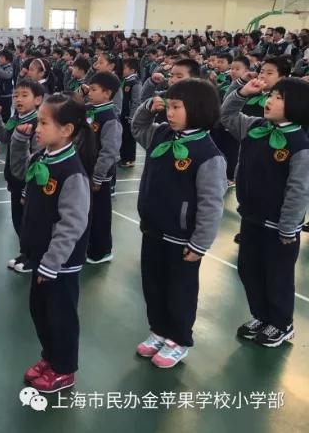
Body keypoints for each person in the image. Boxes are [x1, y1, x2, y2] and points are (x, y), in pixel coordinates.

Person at [132, 79, 227, 368]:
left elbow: (211, 205)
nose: (169, 113)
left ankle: (179, 339)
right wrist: (148, 108)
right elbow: (137, 128)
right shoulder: (161, 134)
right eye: (168, 106)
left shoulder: (208, 154)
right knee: (153, 285)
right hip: (153, 230)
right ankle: (159, 330)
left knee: (179, 291)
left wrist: (199, 244)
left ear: (197, 110)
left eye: (176, 107)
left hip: (182, 240)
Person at [11, 94, 96, 393]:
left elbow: (72, 224)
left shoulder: (72, 172)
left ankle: (64, 369)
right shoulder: (41, 157)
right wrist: (19, 141)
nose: (37, 128)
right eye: (38, 122)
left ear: (66, 130)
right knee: (40, 312)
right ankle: (50, 357)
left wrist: (52, 262)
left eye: (44, 123)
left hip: (60, 262)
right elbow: (19, 173)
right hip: (41, 255)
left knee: (60, 317)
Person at [221, 77, 309, 347]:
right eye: (271, 95)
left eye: (279, 98)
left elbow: (298, 190)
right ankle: (261, 315)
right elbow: (227, 116)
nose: (270, 101)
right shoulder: (255, 127)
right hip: (251, 216)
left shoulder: (299, 144)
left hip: (279, 226)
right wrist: (241, 93)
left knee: (277, 275)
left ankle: (282, 324)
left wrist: (288, 227)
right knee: (249, 269)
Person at [0, 79, 43, 273]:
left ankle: (34, 257)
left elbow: (37, 159)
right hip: (15, 179)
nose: (18, 99)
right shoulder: (17, 118)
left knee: (30, 222)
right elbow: (4, 137)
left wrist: (27, 189)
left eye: (24, 95)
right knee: (18, 220)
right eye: (15, 95)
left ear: (38, 99)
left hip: (27, 183)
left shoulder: (37, 124)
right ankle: (26, 253)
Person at [84, 72, 122, 265]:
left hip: (99, 176)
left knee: (100, 214)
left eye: (93, 89)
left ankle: (102, 250)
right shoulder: (91, 110)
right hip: (86, 171)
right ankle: (90, 244)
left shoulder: (110, 118)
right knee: (88, 211)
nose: (89, 92)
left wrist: (98, 177)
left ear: (107, 93)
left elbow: (109, 151)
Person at [119, 58, 142, 167]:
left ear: (132, 70)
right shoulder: (125, 80)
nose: (122, 70)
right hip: (123, 113)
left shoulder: (135, 82)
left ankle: (130, 159)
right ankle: (124, 157)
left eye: (124, 68)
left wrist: (132, 117)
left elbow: (136, 101)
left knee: (129, 138)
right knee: (124, 136)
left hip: (129, 116)